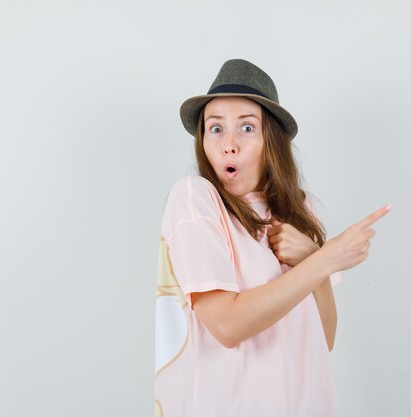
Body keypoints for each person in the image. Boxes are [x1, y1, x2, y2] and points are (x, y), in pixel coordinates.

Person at [154, 58, 391, 417]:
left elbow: (322, 339)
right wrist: (326, 258)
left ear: (271, 142)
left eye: (246, 128)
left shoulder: (301, 210)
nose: (228, 144)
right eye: (215, 129)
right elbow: (227, 325)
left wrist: (314, 257)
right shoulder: (195, 198)